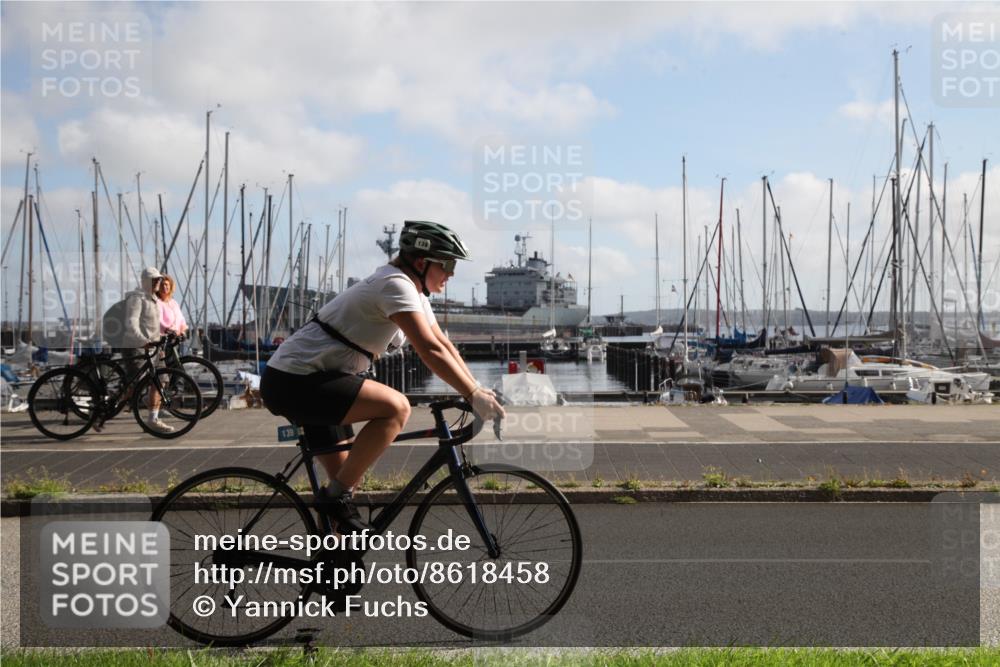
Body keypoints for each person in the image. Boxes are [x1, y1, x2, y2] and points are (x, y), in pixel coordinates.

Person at [261, 220, 505, 533]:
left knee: (345, 483)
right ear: (422, 263)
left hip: (319, 378)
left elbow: (444, 345)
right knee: (396, 408)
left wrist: (476, 389)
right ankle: (333, 505)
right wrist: (472, 395)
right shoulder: (395, 285)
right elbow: (429, 349)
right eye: (447, 264)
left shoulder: (415, 293)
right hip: (294, 380)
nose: (452, 273)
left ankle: (329, 558)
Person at [119, 266, 174, 433]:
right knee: (135, 385)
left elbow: (151, 325)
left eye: (159, 279)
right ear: (146, 281)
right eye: (155, 280)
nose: (158, 282)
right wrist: (143, 341)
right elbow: (131, 324)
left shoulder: (154, 299)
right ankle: (108, 408)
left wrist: (162, 338)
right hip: (136, 346)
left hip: (153, 347)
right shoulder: (137, 299)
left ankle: (152, 419)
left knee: (161, 379)